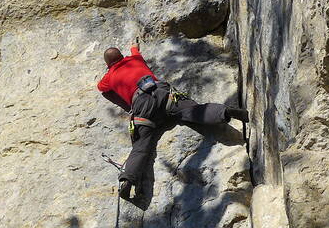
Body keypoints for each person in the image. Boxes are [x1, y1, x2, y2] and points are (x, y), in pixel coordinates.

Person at [97, 44, 248, 199]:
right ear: (121, 56)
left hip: (143, 108)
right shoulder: (134, 58)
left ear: (108, 64)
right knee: (193, 110)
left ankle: (128, 180)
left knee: (141, 146)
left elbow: (101, 87)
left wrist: (111, 71)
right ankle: (224, 112)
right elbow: (135, 50)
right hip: (162, 93)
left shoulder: (110, 76)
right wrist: (134, 47)